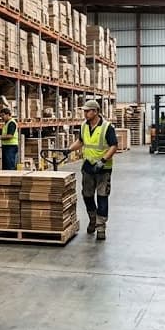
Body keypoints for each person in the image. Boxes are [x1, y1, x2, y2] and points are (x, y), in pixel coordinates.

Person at [69, 100, 118, 241]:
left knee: (102, 196)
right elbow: (81, 141)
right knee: (87, 195)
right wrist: (69, 149)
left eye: (87, 111)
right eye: (84, 111)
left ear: (95, 111)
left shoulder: (107, 127)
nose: (85, 113)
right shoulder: (84, 125)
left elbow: (114, 146)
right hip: (88, 167)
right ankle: (93, 219)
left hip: (103, 168)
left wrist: (103, 161)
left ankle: (101, 226)